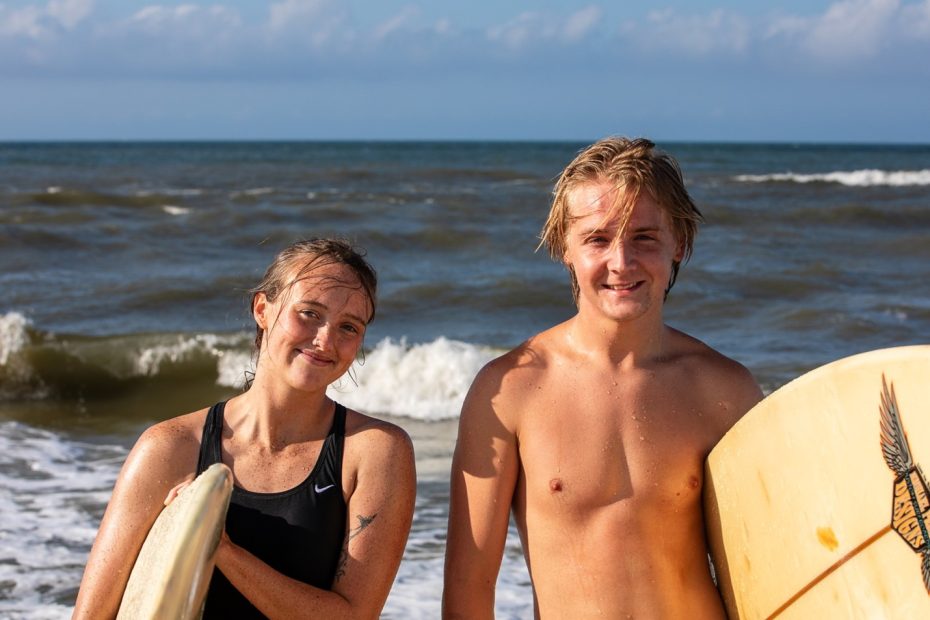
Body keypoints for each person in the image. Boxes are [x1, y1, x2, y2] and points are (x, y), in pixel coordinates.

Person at [442, 138, 763, 618]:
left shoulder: (725, 391)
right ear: (564, 249)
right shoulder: (510, 389)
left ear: (680, 243)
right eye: (597, 238)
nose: (621, 262)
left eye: (645, 238)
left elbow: (767, 563)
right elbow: (468, 589)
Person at [74, 238, 416, 619]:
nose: (325, 340)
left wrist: (219, 548)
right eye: (309, 313)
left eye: (348, 327)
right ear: (262, 309)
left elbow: (353, 616)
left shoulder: (374, 451)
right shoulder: (171, 447)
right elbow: (92, 615)